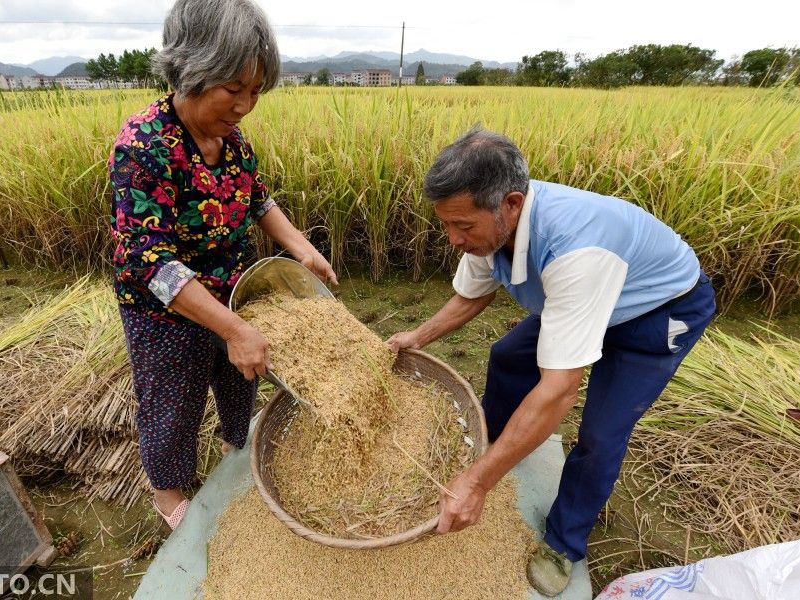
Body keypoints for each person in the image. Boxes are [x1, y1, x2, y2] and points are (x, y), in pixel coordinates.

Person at [386, 128, 715, 596]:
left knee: (601, 434)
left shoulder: (575, 250)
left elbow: (558, 390)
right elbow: (471, 295)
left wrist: (477, 485)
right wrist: (417, 337)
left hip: (656, 312)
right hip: (585, 299)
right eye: (447, 225)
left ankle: (564, 542)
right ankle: (492, 445)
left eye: (463, 226)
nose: (453, 238)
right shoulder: (487, 228)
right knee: (506, 356)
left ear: (512, 204)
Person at [109, 0, 336, 531]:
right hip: (166, 313)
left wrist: (300, 246)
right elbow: (150, 261)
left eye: (255, 91)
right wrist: (232, 328)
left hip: (234, 291)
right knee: (172, 402)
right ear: (192, 68)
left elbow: (257, 199)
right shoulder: (144, 146)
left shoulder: (231, 140)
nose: (245, 105)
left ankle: (237, 447)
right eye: (234, 88)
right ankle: (168, 493)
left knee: (242, 379)